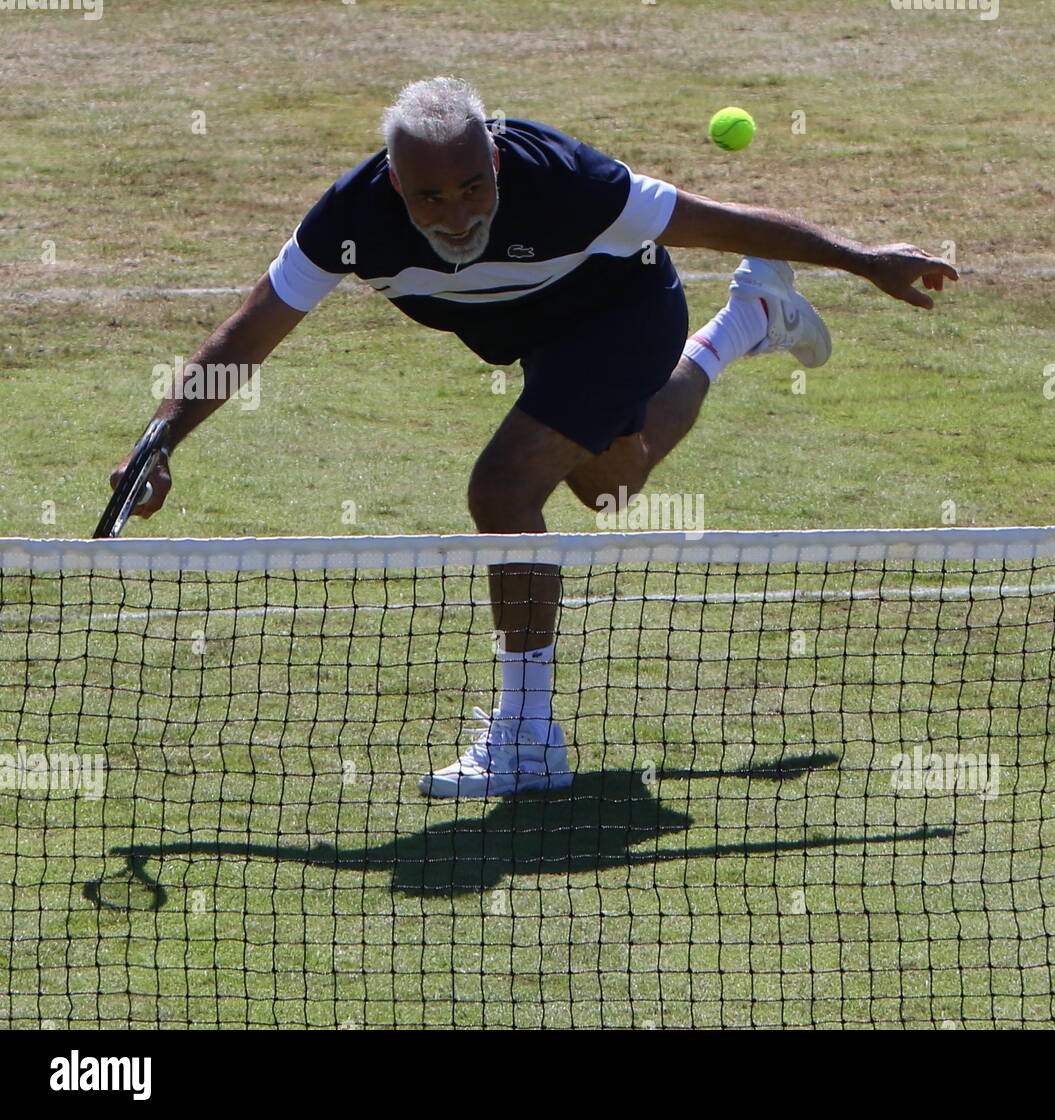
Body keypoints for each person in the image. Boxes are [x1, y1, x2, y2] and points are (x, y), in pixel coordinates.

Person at [110, 77, 957, 799]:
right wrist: (162, 441)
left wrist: (862, 259)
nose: (454, 212)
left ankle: (526, 739)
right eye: (430, 195)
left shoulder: (573, 183)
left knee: (503, 487)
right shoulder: (350, 220)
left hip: (622, 315)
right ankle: (749, 321)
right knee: (610, 487)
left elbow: (720, 221)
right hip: (536, 340)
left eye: (472, 186)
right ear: (395, 184)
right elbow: (247, 335)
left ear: (496, 163)